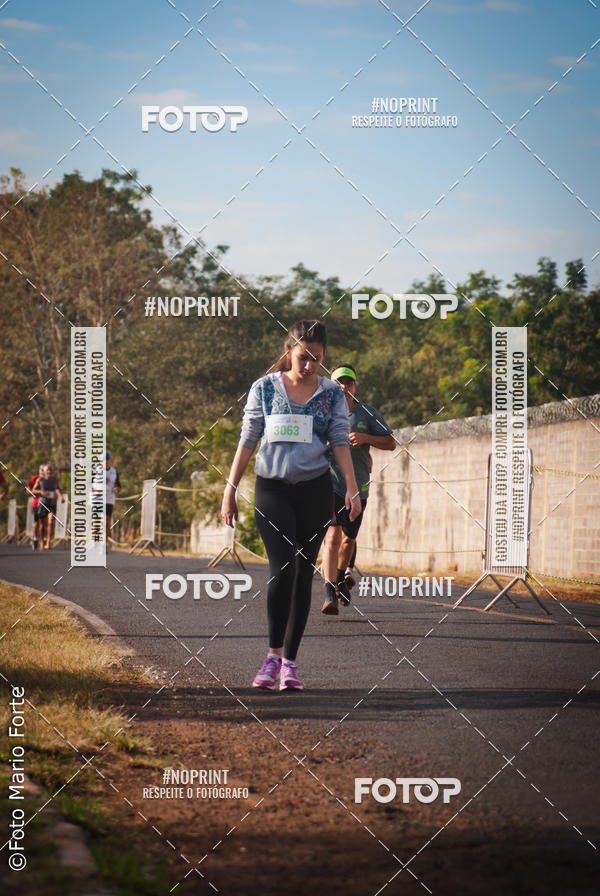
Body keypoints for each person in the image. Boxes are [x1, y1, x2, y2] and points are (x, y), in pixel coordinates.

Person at [221, 320, 360, 691]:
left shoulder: (331, 394)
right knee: (282, 569)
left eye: (317, 359)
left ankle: (290, 664)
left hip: (314, 490)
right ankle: (271, 655)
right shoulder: (264, 389)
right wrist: (230, 488)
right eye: (303, 357)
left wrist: (351, 487)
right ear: (288, 353)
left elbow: (339, 442)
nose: (309, 365)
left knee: (302, 572)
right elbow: (248, 437)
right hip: (273, 490)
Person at [321, 364, 395, 615]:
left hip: (359, 485)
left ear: (355, 386)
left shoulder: (367, 413)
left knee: (348, 539)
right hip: (329, 483)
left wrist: (366, 439)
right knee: (332, 536)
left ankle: (341, 577)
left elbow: (391, 443)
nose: (344, 387)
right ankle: (329, 591)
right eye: (339, 383)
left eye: (348, 383)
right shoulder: (323, 413)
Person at [35, 463, 64, 550]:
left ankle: (48, 541)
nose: (49, 471)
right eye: (47, 470)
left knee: (51, 522)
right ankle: (42, 541)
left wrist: (60, 496)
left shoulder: (55, 480)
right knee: (42, 525)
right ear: (44, 471)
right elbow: (32, 490)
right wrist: (41, 492)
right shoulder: (40, 480)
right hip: (43, 503)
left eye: (50, 470)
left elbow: (57, 488)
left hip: (52, 503)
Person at [104, 452, 121, 540]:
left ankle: (104, 544)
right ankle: (95, 543)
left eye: (106, 459)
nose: (105, 461)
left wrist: (116, 489)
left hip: (109, 499)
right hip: (97, 499)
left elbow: (118, 485)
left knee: (107, 522)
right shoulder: (95, 472)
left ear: (109, 460)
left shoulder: (114, 472)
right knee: (97, 522)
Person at [27, 465, 45, 550]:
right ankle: (35, 538)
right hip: (36, 503)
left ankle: (43, 541)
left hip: (45, 503)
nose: (43, 473)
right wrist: (37, 492)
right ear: (39, 471)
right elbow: (28, 490)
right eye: (41, 471)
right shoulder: (35, 478)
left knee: (43, 523)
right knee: (36, 523)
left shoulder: (48, 479)